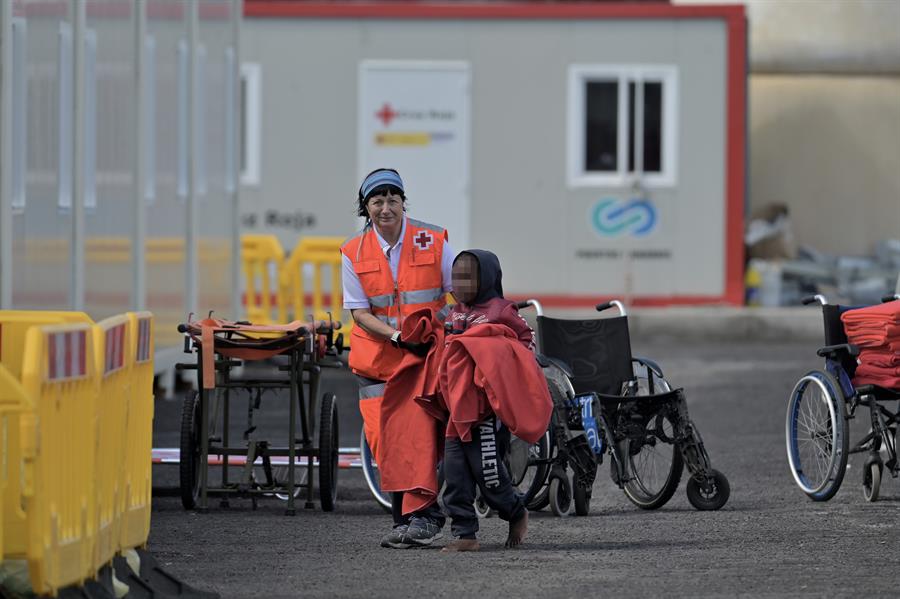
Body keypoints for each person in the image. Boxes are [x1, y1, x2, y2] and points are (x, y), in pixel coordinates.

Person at [340, 168, 454, 548]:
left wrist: (433, 330)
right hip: (378, 360)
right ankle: (404, 519)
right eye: (377, 201)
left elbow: (459, 292)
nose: (386, 208)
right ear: (366, 207)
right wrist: (397, 337)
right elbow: (359, 312)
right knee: (384, 442)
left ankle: (424, 516)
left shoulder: (433, 239)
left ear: (404, 203)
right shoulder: (352, 251)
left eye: (393, 200)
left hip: (423, 357)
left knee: (417, 436)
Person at [438, 250, 551, 552]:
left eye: (467, 277)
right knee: (455, 473)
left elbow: (525, 342)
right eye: (456, 276)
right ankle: (465, 534)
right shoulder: (453, 312)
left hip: (485, 410)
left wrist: (506, 364)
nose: (459, 283)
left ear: (486, 278)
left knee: (488, 473)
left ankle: (515, 511)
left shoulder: (501, 310)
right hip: (457, 409)